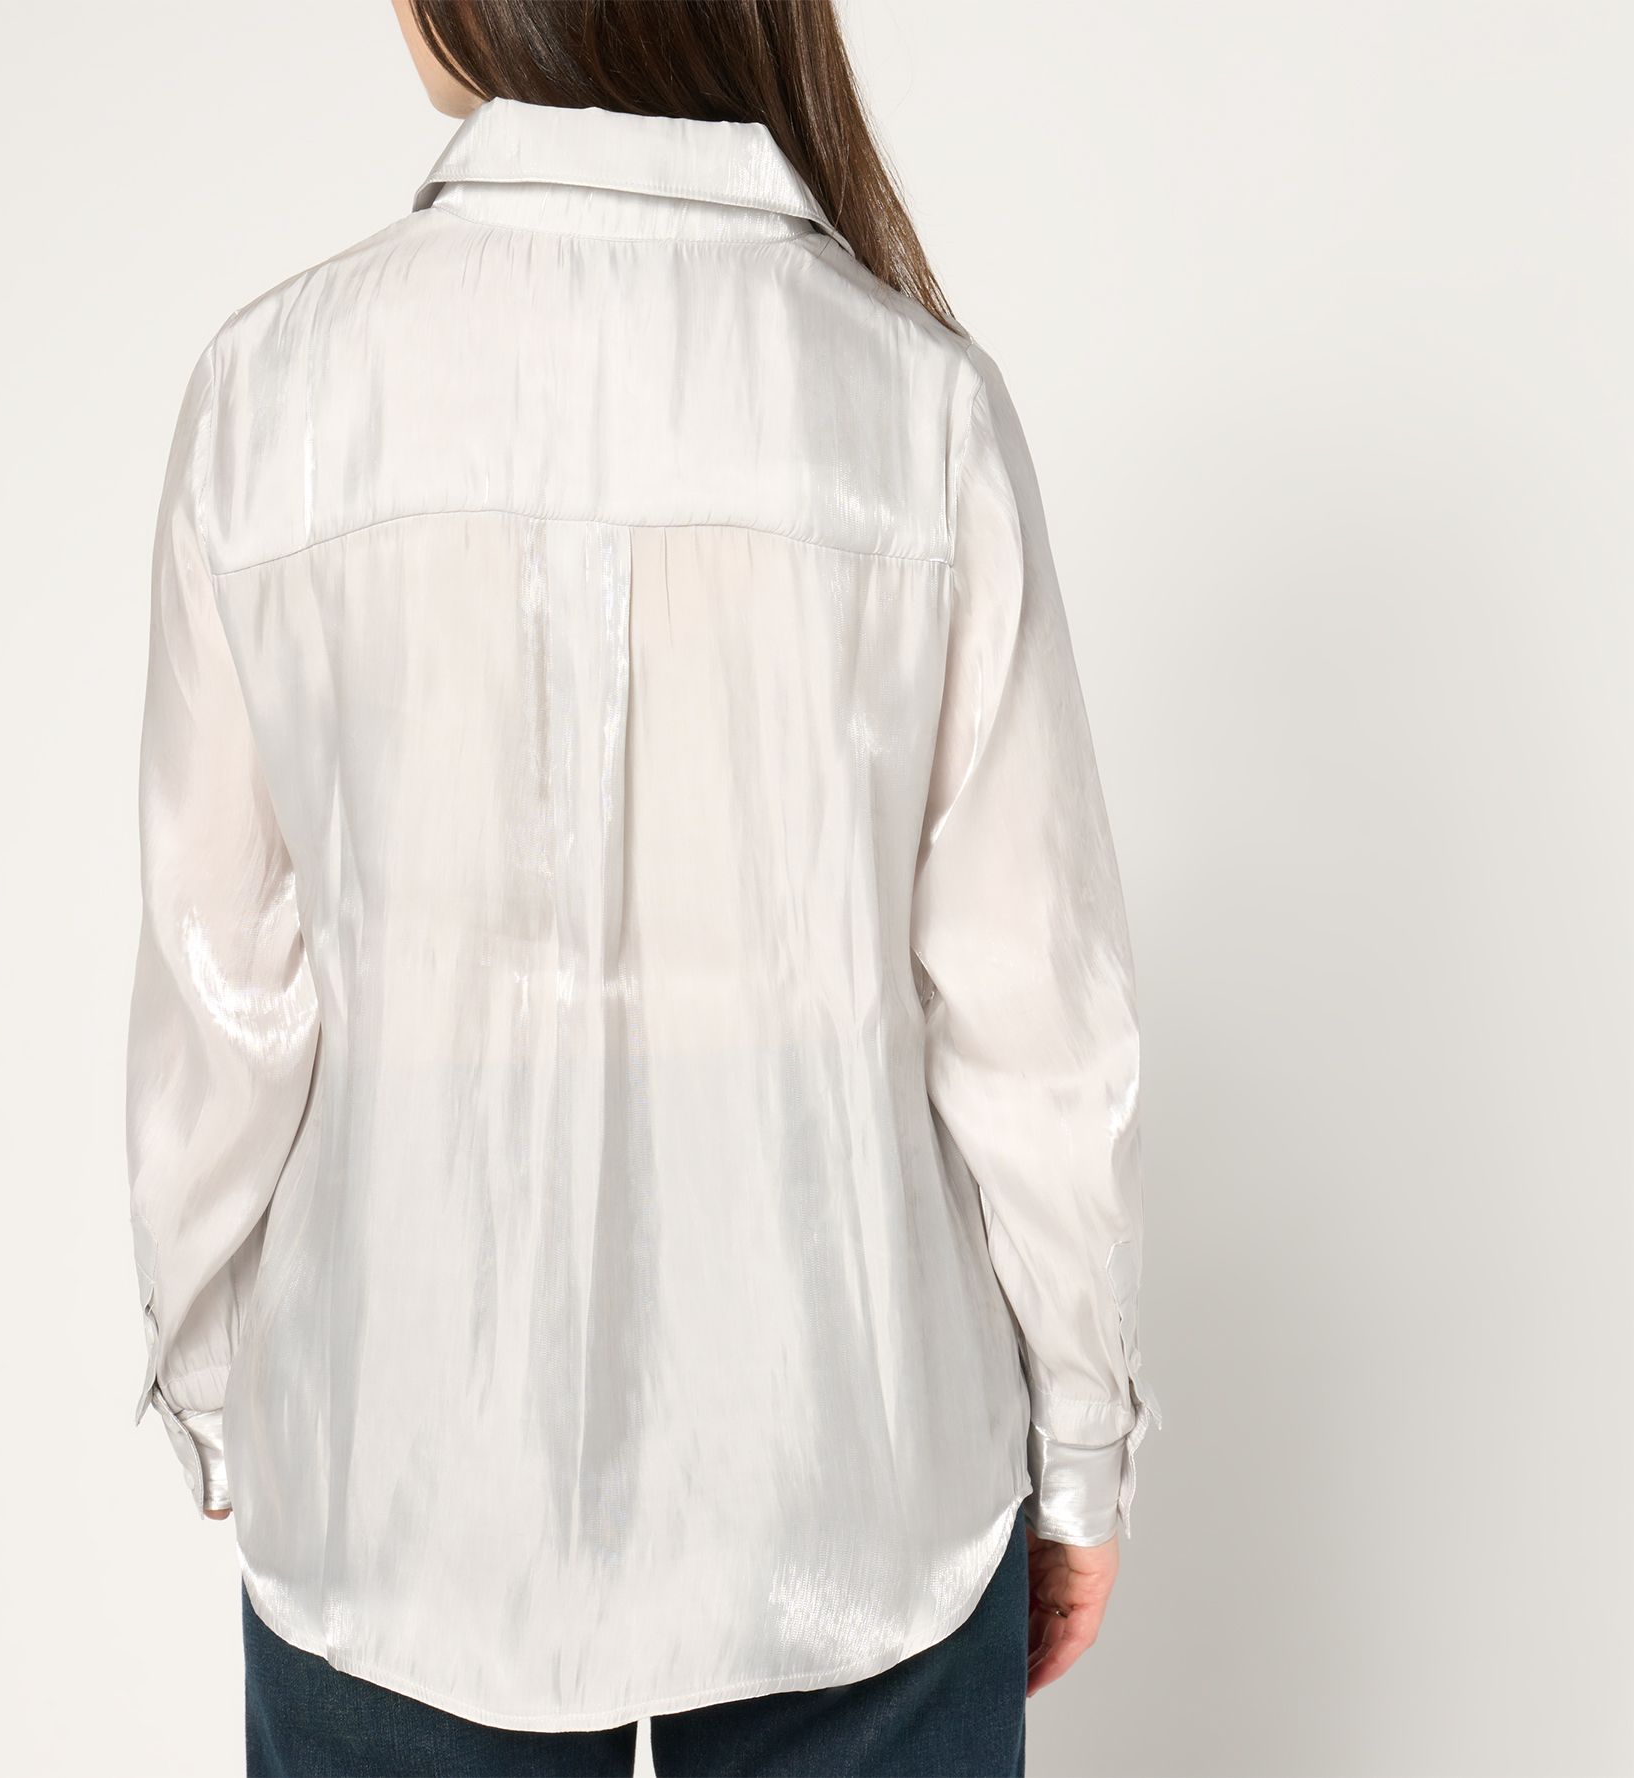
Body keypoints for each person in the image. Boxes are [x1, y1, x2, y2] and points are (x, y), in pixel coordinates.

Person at [124, 3, 1159, 1772]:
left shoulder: (272, 393)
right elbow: (1032, 1004)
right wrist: (1079, 1441)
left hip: (401, 1471)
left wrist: (219, 1382)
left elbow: (226, 977)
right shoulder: (915, 406)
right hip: (858, 1476)